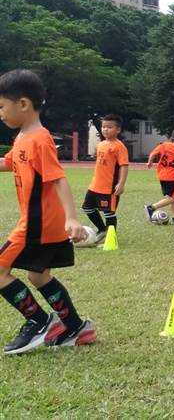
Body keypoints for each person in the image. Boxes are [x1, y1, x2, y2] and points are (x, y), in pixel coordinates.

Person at [0, 69, 95, 353]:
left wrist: (71, 218)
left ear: (24, 104)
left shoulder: (39, 139)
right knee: (38, 275)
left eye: (2, 106)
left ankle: (40, 322)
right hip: (42, 222)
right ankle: (77, 328)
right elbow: (8, 163)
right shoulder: (22, 138)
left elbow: (57, 178)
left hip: (37, 223)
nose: (0, 113)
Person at [82, 114, 129, 246]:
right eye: (103, 127)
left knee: (109, 213)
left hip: (109, 188)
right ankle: (102, 229)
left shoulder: (119, 147)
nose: (105, 129)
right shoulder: (101, 144)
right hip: (95, 185)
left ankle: (111, 240)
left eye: (109, 127)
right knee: (87, 207)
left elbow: (124, 166)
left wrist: (121, 184)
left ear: (118, 130)